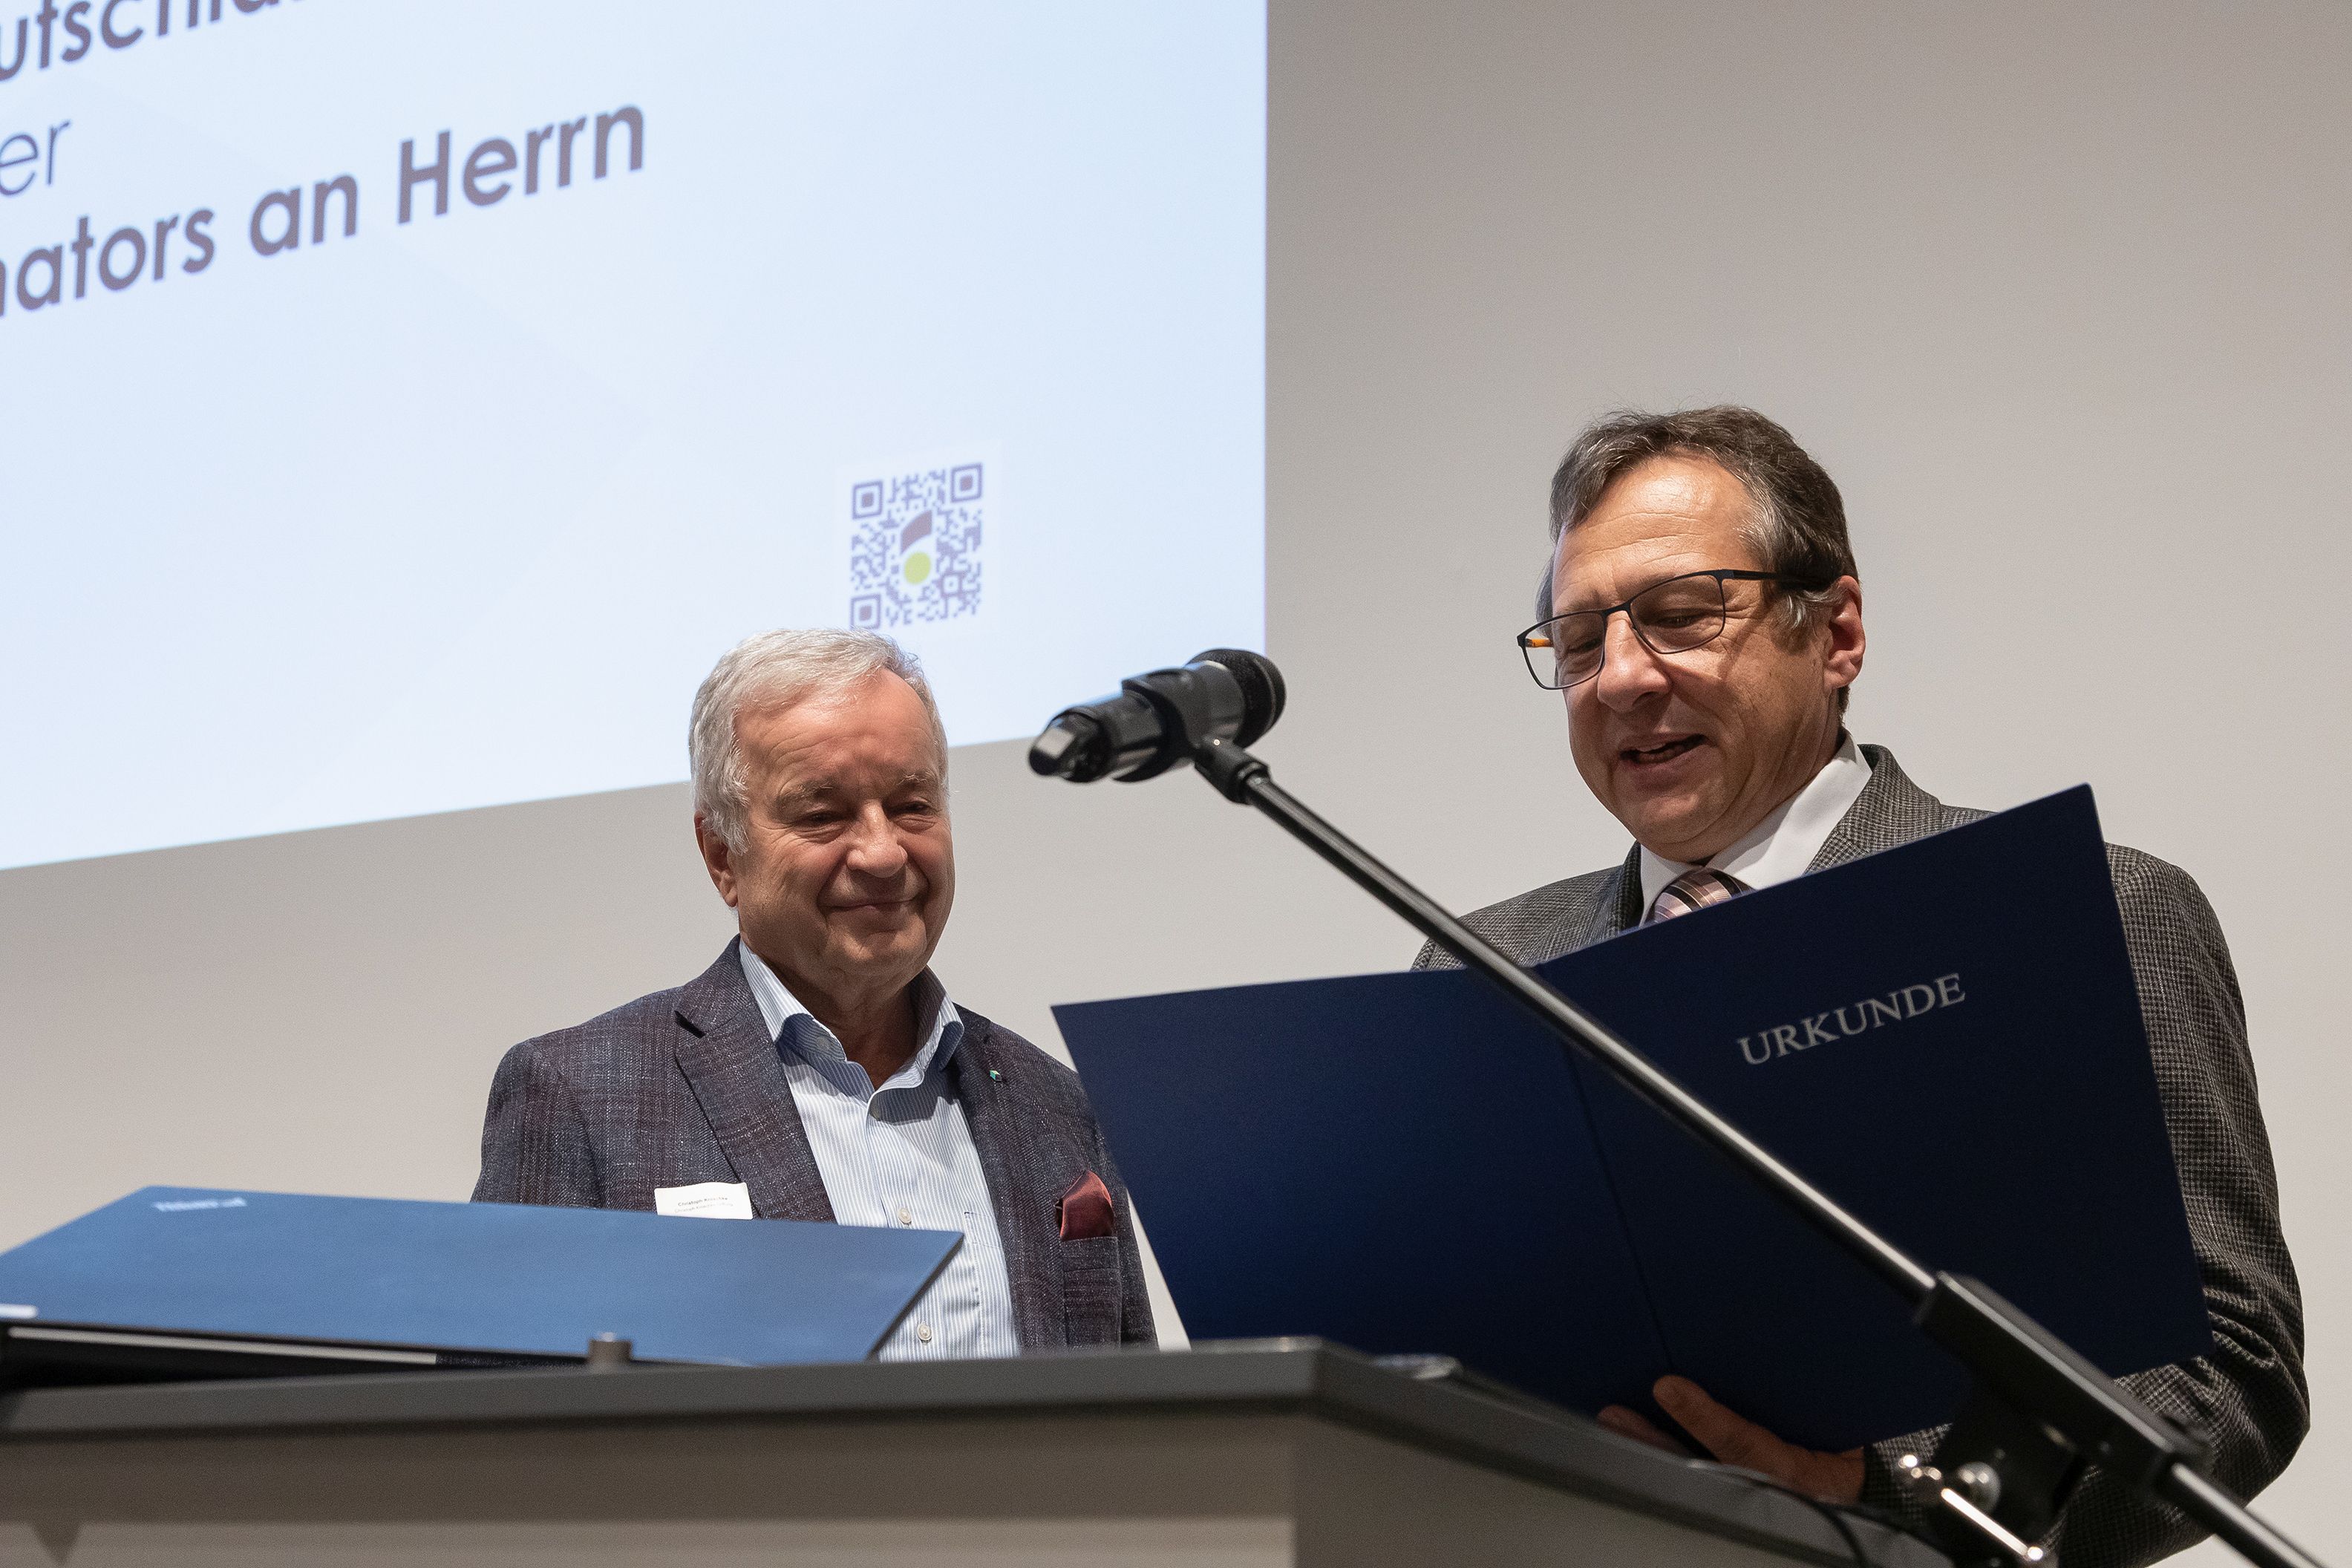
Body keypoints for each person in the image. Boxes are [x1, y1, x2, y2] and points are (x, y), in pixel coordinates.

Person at [1419, 407, 2304, 1567]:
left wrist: (1888, 1498)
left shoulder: (2087, 910)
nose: (1622, 677)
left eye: (1680, 615)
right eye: (1580, 642)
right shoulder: (1476, 972)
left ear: (1835, 633)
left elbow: (2226, 1370)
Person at [474, 629, 1153, 1356]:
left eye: (912, 804)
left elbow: (1131, 1406)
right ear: (722, 857)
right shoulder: (581, 1096)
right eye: (823, 815)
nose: (884, 853)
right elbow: (502, 1412)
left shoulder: (1057, 1104)